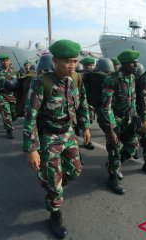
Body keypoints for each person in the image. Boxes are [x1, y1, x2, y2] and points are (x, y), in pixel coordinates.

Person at [23, 39, 91, 239]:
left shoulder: (76, 79)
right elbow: (30, 116)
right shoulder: (42, 82)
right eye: (68, 61)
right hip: (49, 137)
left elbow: (84, 103)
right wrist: (32, 149)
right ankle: (55, 212)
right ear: (55, 60)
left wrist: (85, 126)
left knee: (76, 171)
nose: (72, 65)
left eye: (75, 61)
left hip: (68, 134)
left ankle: (53, 185)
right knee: (54, 180)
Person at [99, 50, 140, 194]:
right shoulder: (112, 80)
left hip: (127, 119)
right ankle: (112, 178)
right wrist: (110, 129)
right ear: (124, 64)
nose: (136, 65)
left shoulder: (132, 78)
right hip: (113, 120)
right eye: (132, 63)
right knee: (115, 148)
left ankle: (113, 165)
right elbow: (106, 107)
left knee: (133, 146)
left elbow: (132, 99)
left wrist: (135, 117)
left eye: (136, 62)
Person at [0, 54, 17, 138]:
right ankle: (9, 130)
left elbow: (18, 83)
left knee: (14, 113)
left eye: (7, 60)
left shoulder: (14, 71)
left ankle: (10, 121)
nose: (5, 62)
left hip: (13, 95)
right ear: (0, 62)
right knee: (6, 113)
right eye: (3, 61)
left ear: (9, 61)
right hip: (2, 95)